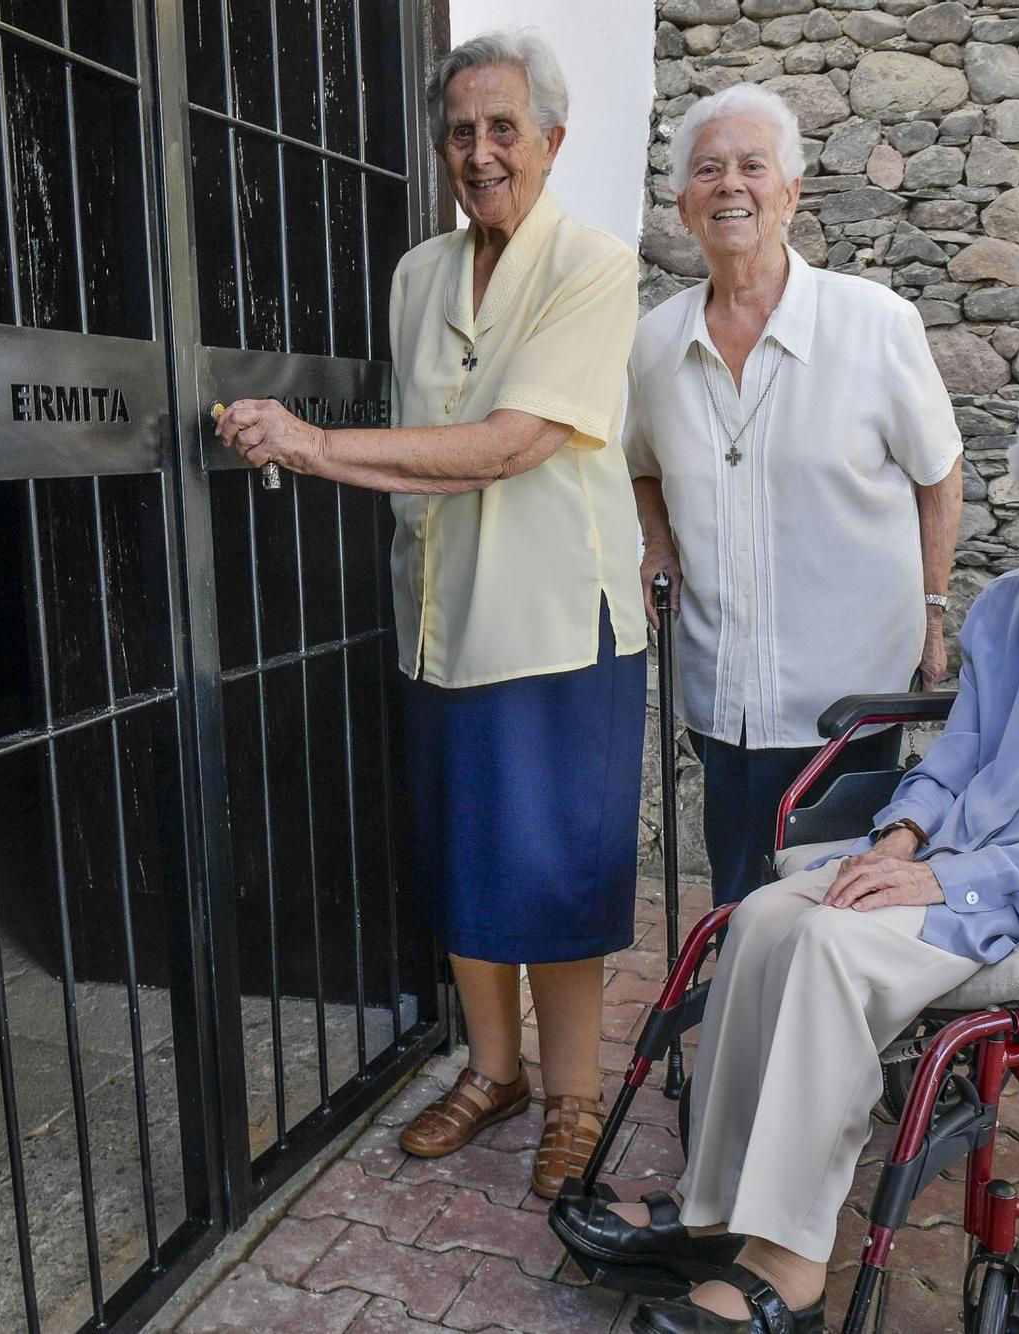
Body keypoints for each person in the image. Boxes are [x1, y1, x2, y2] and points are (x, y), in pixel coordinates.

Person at [555, 366, 1019, 1333]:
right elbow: (965, 751)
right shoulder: (1011, 606)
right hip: (957, 859)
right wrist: (898, 834)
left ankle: (790, 1269)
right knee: (765, 916)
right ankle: (710, 1207)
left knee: (830, 949)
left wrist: (941, 877)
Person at [213, 28, 643, 1199]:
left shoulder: (592, 267)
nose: (480, 151)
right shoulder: (417, 274)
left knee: (554, 870)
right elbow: (423, 445)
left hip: (554, 622)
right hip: (438, 617)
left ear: (551, 141)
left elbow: (513, 441)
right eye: (460, 131)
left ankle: (574, 1097)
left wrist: (308, 445)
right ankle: (491, 1071)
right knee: (463, 855)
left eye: (503, 127)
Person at [624, 84, 965, 909]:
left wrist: (932, 609)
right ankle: (744, 1027)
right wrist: (659, 546)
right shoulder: (656, 341)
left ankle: (818, 1035)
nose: (729, 185)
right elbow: (642, 463)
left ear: (791, 194)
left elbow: (938, 472)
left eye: (751, 166)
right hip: (720, 685)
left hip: (848, 689)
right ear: (682, 205)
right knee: (738, 894)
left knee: (836, 899)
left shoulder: (874, 322)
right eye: (708, 170)